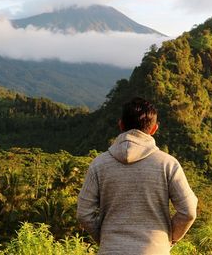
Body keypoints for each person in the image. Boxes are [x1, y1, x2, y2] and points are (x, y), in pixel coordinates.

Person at [77, 97, 198, 255]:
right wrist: (168, 239)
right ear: (154, 128)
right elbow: (188, 211)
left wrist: (108, 239)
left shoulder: (99, 164)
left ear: (121, 125)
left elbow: (84, 213)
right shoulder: (168, 164)